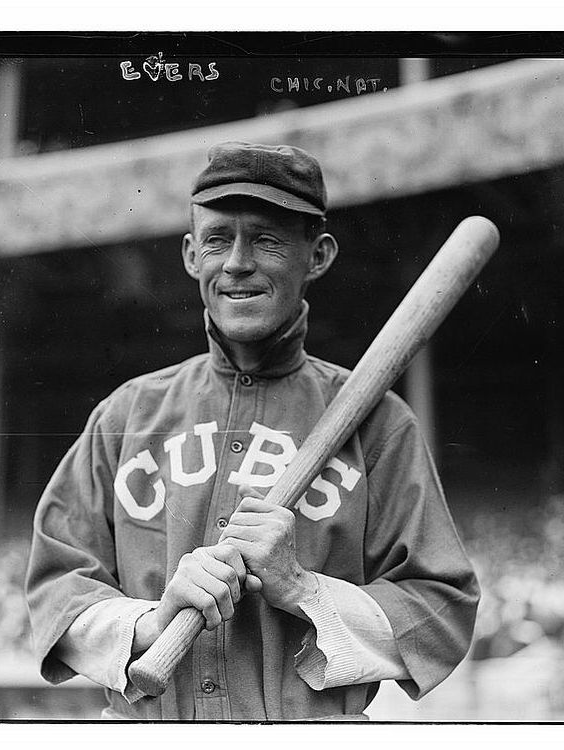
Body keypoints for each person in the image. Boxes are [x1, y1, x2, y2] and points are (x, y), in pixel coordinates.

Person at [24, 142, 479, 721]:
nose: (237, 262)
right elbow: (56, 590)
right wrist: (152, 622)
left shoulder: (381, 424)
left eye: (266, 239)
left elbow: (442, 613)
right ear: (192, 255)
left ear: (317, 256)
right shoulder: (125, 416)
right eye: (218, 239)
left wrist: (301, 589)